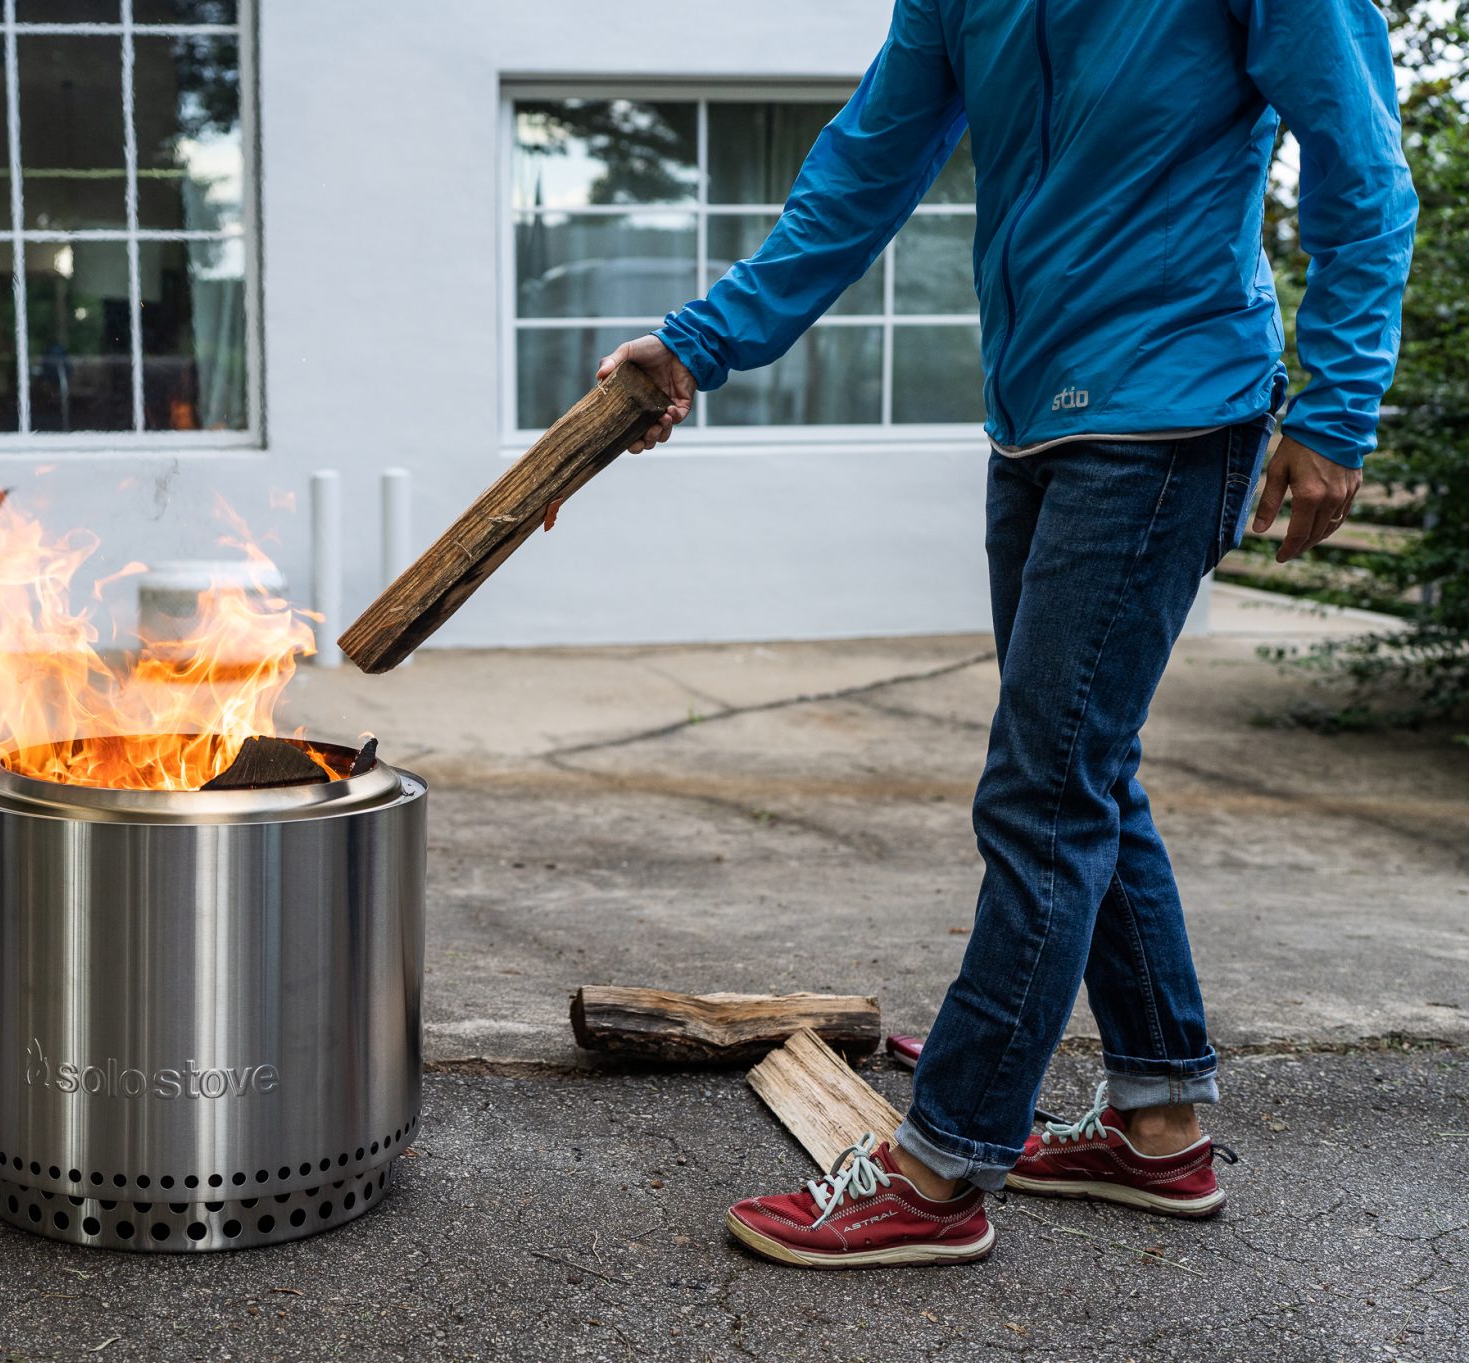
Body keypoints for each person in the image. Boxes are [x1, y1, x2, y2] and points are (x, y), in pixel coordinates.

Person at [578, 0, 1416, 1267]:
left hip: (1172, 410)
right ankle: (1158, 1126)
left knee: (1041, 788)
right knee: (1083, 768)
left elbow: (1361, 168)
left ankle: (942, 1163)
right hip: (1034, 422)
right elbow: (865, 165)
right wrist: (702, 344)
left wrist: (1339, 409)